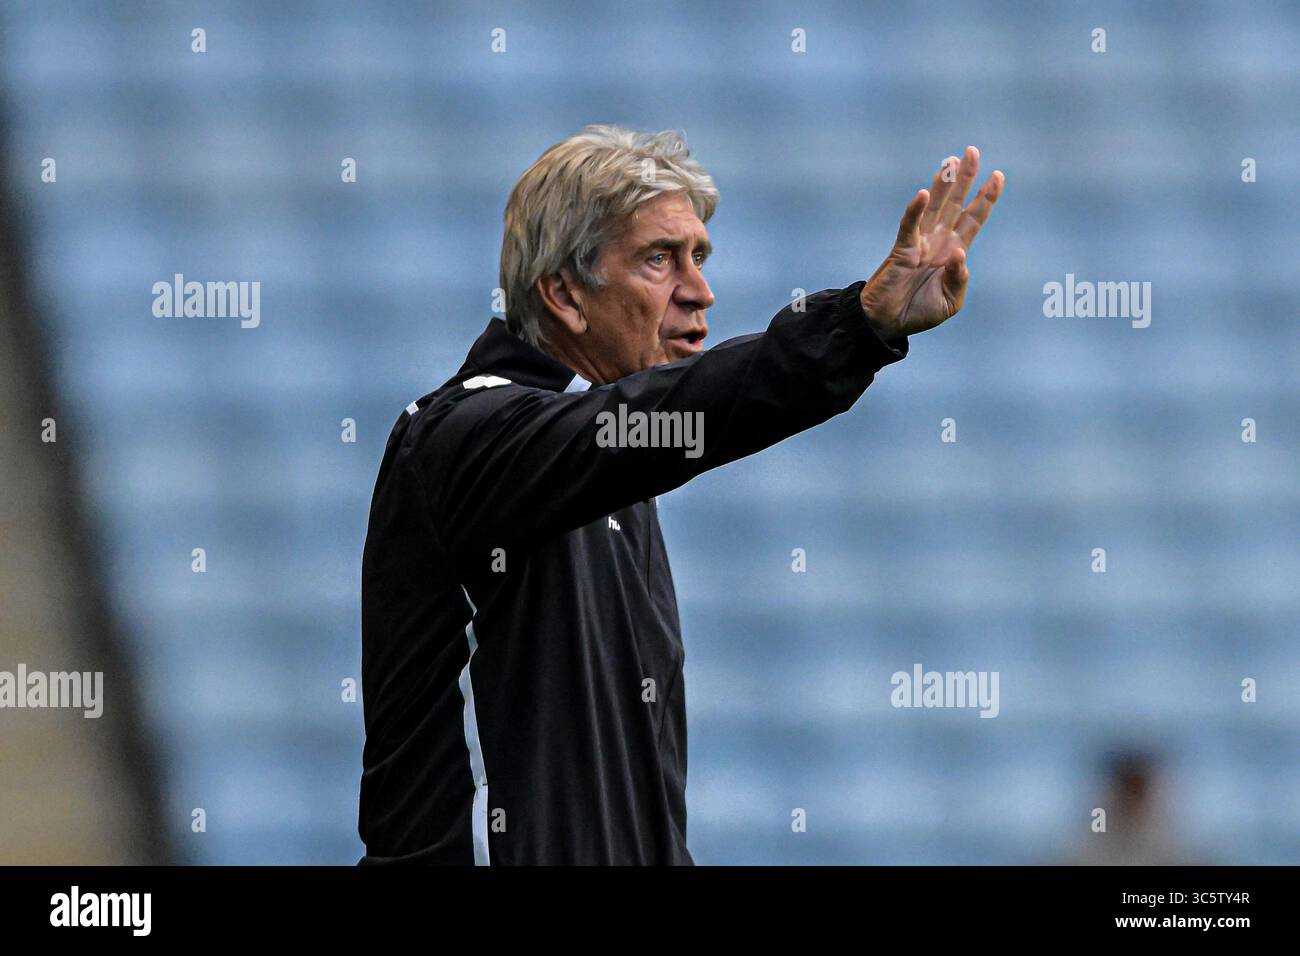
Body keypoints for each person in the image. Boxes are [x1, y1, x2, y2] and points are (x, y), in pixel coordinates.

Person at [358, 125, 1004, 864]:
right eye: (659, 259)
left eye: (699, 255)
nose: (700, 289)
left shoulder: (615, 484)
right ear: (565, 294)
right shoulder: (469, 438)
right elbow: (676, 415)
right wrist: (857, 326)